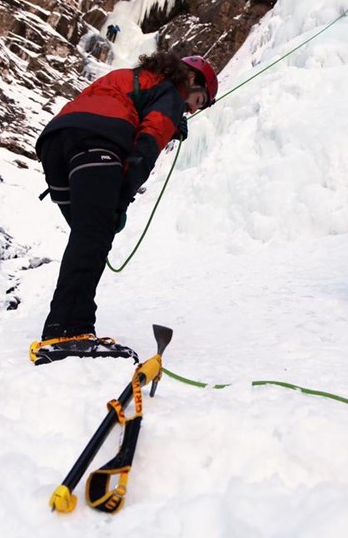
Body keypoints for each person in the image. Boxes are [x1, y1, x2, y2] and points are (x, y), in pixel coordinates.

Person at [30, 51, 218, 365]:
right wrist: (120, 199)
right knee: (95, 235)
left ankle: (67, 324)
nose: (191, 109)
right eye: (198, 102)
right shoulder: (172, 92)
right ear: (192, 80)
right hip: (98, 141)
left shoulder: (133, 76)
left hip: (55, 144)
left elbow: (120, 106)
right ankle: (68, 332)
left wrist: (172, 124)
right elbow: (147, 143)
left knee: (88, 236)